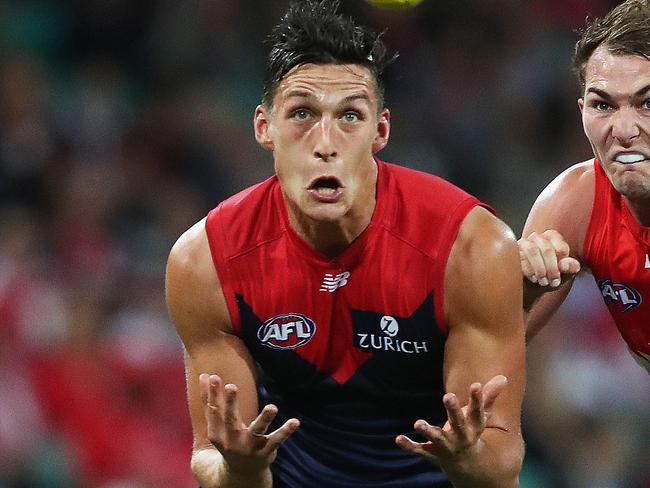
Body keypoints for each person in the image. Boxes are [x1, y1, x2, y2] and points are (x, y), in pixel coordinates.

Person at [165, 1, 526, 487]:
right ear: (263, 127)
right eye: (302, 114)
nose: (326, 142)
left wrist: (467, 458)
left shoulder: (471, 248)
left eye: (350, 116)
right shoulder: (205, 261)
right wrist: (241, 466)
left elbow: (501, 467)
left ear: (381, 131)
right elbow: (211, 461)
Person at [519, 0, 650, 373]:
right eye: (603, 106)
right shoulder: (576, 203)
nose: (623, 131)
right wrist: (522, 291)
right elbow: (484, 349)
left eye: (648, 103)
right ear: (582, 110)